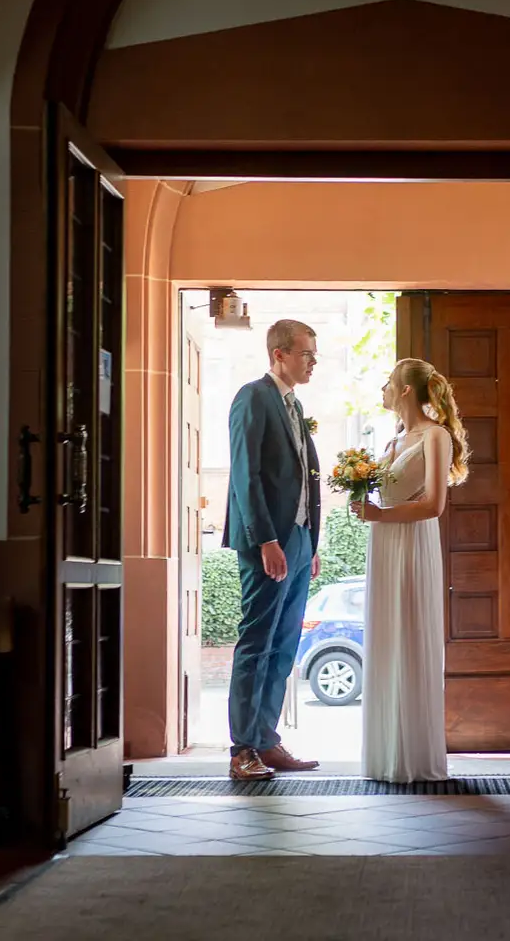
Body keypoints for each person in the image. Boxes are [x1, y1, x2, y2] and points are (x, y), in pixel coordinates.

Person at [355, 358, 469, 784]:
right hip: (383, 546)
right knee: (387, 639)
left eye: (388, 382)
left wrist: (379, 516)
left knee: (412, 635)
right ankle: (386, 755)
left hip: (413, 543)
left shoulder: (434, 436)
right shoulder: (391, 442)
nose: (382, 389)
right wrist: (365, 507)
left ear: (405, 390)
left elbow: (434, 504)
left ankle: (416, 757)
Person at [221, 319, 325, 781]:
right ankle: (242, 749)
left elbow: (300, 477)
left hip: (300, 540)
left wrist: (309, 542)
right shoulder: (253, 397)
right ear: (279, 354)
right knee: (257, 643)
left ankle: (267, 740)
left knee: (284, 646)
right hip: (268, 541)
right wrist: (266, 539)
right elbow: (246, 476)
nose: (313, 361)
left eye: (314, 353)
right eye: (306, 353)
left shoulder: (295, 406)